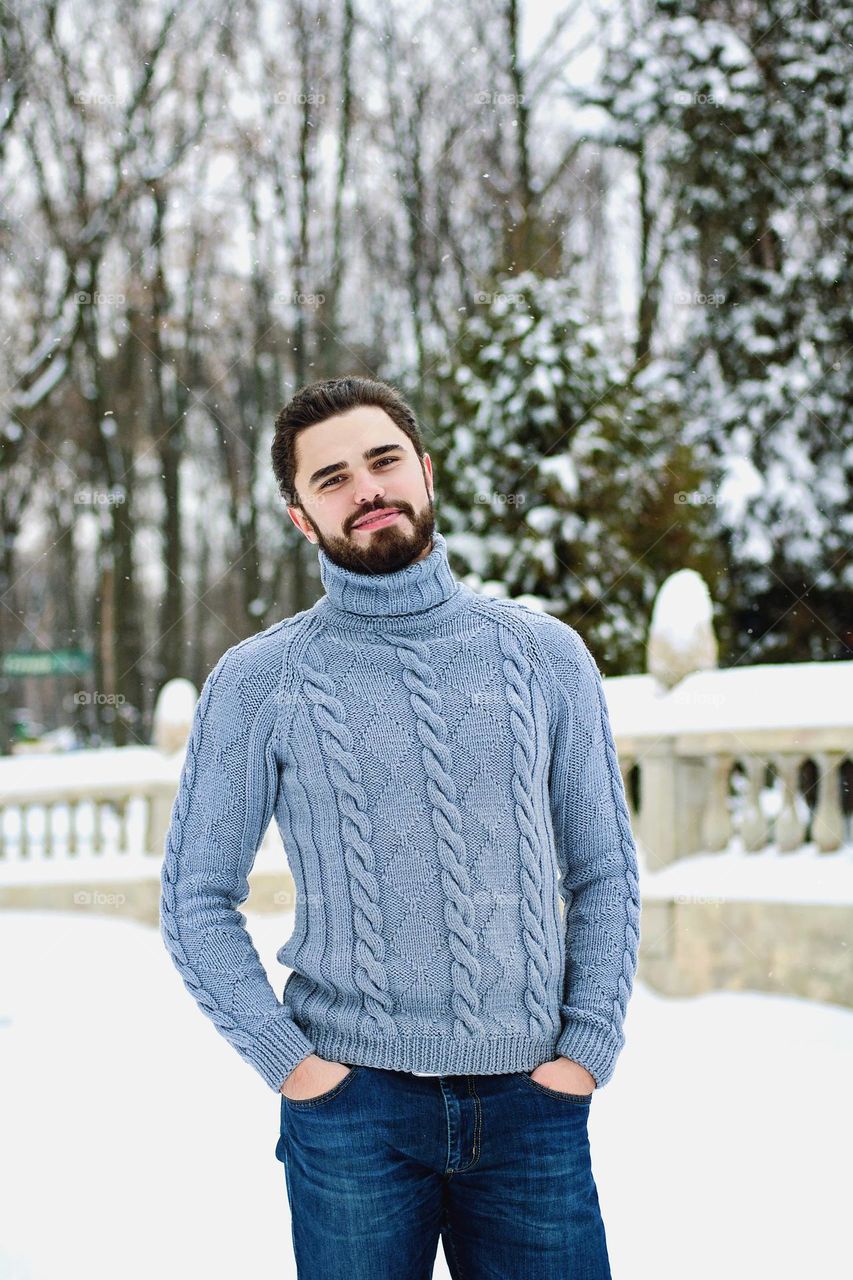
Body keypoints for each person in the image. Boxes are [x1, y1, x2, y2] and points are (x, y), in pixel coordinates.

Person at [159, 375, 641, 1280]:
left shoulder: (545, 656)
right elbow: (196, 895)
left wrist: (585, 1050)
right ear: (301, 517)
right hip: (353, 1115)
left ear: (423, 471)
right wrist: (294, 1068)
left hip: (531, 1104)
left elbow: (605, 870)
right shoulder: (260, 680)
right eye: (330, 478)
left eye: (382, 462)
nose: (366, 489)